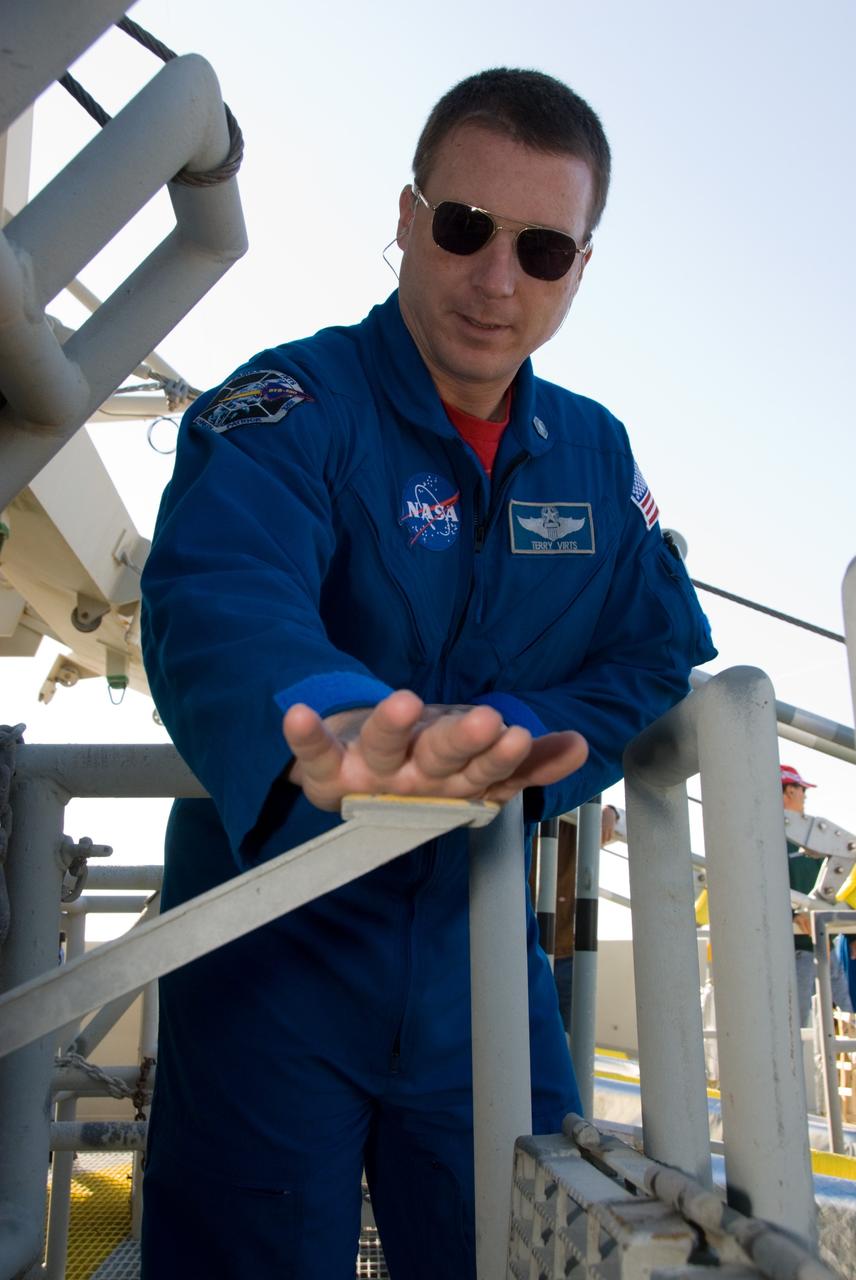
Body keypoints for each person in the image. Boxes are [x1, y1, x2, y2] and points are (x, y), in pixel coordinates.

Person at [139, 68, 716, 1279]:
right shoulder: (290, 408)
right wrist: (347, 728)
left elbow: (654, 650)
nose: (496, 280)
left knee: (516, 1253)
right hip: (269, 945)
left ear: (579, 267)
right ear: (406, 217)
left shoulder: (597, 457)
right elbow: (222, 594)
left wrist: (520, 733)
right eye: (464, 229)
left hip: (482, 956)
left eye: (543, 248)